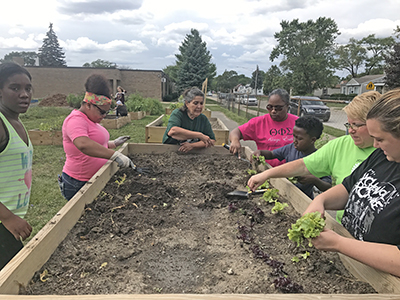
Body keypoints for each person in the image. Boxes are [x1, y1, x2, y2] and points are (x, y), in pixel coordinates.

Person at [301, 88, 400, 277]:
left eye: (380, 139)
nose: (375, 145)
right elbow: (348, 187)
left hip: (382, 284)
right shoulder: (383, 156)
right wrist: (319, 201)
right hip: (349, 266)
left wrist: (338, 243)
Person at [248, 91, 381, 222]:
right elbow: (303, 165)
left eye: (356, 125)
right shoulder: (341, 144)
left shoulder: (389, 153)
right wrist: (266, 174)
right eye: (349, 124)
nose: (351, 130)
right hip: (344, 226)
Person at [59, 74, 134, 201]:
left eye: (107, 112)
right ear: (88, 104)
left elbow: (96, 143)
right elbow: (83, 144)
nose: (104, 116)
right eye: (102, 112)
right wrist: (115, 155)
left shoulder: (91, 120)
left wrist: (114, 143)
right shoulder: (75, 120)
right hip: (78, 182)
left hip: (96, 178)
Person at [0, 62, 33, 270]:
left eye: (28, 88)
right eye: (15, 88)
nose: (24, 94)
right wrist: (7, 217)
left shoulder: (16, 123)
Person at [253, 116, 331, 199]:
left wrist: (314, 180)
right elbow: (272, 154)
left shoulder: (319, 158)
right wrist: (260, 152)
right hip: (285, 194)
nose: (294, 141)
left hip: (303, 199)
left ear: (312, 140)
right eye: (294, 136)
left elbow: (327, 186)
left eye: (299, 138)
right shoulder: (291, 148)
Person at [229, 88, 298, 167]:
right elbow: (236, 132)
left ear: (287, 106)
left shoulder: (297, 123)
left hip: (293, 171)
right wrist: (235, 141)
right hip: (266, 170)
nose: (273, 111)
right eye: (270, 107)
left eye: (278, 108)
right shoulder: (259, 123)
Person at [162, 87, 215, 153]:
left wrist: (192, 145)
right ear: (187, 103)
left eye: (201, 103)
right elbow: (173, 131)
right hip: (171, 151)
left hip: (194, 154)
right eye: (195, 103)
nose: (199, 106)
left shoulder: (203, 119)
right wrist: (199, 135)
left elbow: (211, 140)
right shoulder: (178, 114)